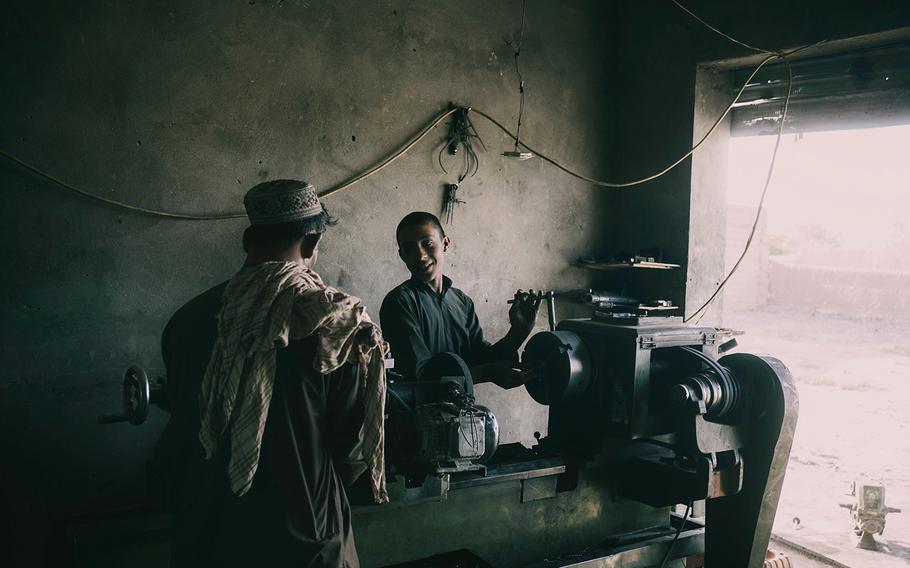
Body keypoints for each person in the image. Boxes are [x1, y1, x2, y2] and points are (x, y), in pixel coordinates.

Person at [153, 179, 387, 568]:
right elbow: (352, 448)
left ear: (249, 241)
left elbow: (184, 420)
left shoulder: (187, 320)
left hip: (210, 532)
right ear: (312, 243)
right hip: (302, 540)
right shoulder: (333, 321)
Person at [379, 211, 540, 387]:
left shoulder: (462, 302)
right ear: (402, 255)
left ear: (445, 243)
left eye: (428, 243)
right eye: (410, 248)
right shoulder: (400, 302)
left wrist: (518, 332)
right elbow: (418, 374)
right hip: (415, 412)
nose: (421, 256)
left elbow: (479, 358)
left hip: (462, 411)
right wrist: (489, 373)